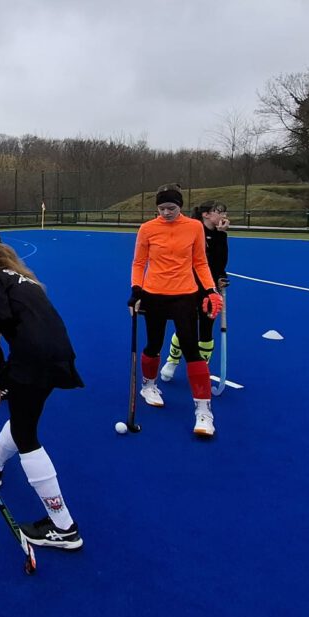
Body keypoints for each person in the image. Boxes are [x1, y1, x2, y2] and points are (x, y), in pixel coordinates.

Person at [0, 242, 85, 549]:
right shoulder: (26, 281)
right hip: (57, 354)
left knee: (25, 435)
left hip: (33, 358)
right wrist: (1, 385)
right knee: (23, 417)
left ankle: (63, 526)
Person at [130, 185, 223, 438]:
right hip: (154, 294)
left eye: (171, 208)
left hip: (184, 295)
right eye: (161, 209)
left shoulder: (194, 227)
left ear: (180, 206)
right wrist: (136, 291)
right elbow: (139, 263)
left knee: (191, 349)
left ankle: (203, 410)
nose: (166, 213)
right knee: (154, 344)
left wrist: (211, 290)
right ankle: (148, 386)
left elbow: (200, 262)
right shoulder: (147, 229)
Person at [160, 200, 230, 384]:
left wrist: (220, 275)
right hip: (189, 286)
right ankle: (172, 361)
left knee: (206, 330)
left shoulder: (219, 235)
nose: (223, 216)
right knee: (186, 327)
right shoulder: (193, 230)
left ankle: (201, 368)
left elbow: (220, 262)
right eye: (219, 212)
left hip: (210, 289)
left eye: (224, 212)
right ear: (206, 214)